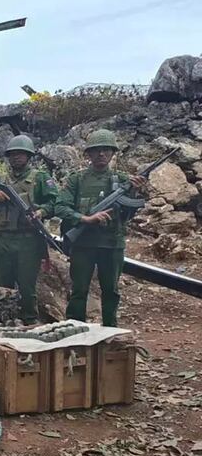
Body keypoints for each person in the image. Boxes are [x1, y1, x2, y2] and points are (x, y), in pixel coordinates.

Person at [55, 129, 147, 326]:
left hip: (112, 244)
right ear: (88, 154)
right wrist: (85, 219)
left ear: (113, 153)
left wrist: (136, 192)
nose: (101, 154)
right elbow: (60, 207)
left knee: (111, 291)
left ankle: (110, 331)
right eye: (96, 150)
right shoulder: (76, 180)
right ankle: (74, 329)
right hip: (83, 244)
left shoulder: (123, 180)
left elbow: (128, 215)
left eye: (106, 150)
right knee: (79, 290)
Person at [0, 135, 57, 324]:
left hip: (28, 240)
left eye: (21, 154)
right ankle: (5, 322)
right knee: (2, 287)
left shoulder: (40, 178)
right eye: (13, 154)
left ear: (29, 156)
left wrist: (41, 211)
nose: (16, 157)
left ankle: (29, 321)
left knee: (27, 287)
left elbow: (55, 202)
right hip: (1, 240)